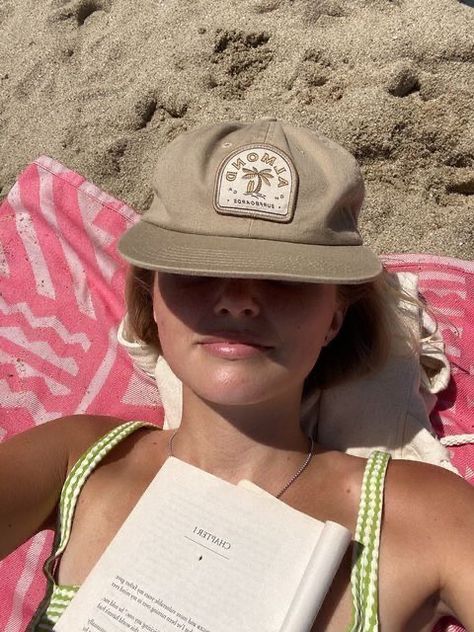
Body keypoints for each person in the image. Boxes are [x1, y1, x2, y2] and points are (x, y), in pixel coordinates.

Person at [1, 119, 473, 632]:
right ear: (151, 298)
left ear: (334, 316)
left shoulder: (422, 514)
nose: (237, 300)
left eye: (283, 278)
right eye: (197, 270)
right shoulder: (81, 461)